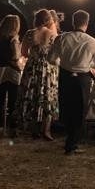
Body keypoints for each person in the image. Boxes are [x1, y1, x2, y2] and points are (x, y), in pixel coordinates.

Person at [47, 9, 95, 155]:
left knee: (66, 107)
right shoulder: (93, 42)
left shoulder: (61, 38)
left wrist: (64, 61)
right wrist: (85, 64)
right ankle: (72, 143)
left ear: (73, 22)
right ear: (87, 23)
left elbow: (51, 59)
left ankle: (70, 141)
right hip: (83, 79)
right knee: (80, 111)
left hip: (65, 76)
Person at [16, 9, 59, 140]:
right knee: (47, 97)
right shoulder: (52, 34)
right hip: (48, 68)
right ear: (48, 20)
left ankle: (33, 128)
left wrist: (34, 56)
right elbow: (56, 53)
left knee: (32, 96)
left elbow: (23, 52)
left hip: (32, 67)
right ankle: (46, 130)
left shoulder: (29, 33)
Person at [0, 15, 23, 138]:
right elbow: (15, 56)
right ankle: (12, 128)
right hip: (11, 70)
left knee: (0, 100)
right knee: (12, 101)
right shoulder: (13, 38)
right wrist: (19, 67)